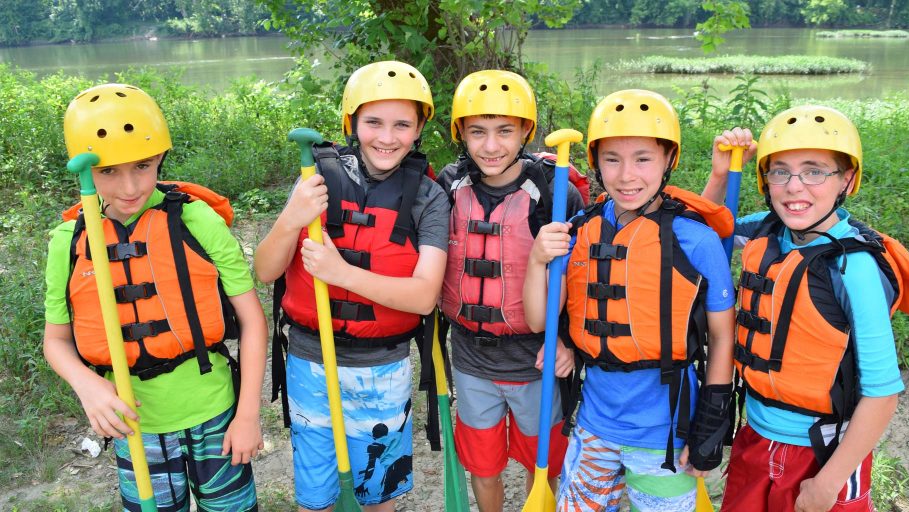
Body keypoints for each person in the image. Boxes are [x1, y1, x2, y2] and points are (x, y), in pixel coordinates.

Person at [43, 83, 267, 511]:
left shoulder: (196, 219)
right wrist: (87, 384)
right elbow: (55, 341)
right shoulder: (66, 242)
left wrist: (248, 415)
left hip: (216, 414)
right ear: (84, 170)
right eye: (108, 171)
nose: (129, 187)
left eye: (142, 166)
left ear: (161, 156)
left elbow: (252, 320)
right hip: (137, 426)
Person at [523, 89, 737, 511]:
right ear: (596, 164)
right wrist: (536, 261)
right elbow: (538, 320)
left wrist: (712, 424)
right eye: (612, 160)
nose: (626, 175)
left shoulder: (697, 239)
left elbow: (722, 339)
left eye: (643, 159)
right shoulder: (579, 230)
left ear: (668, 161)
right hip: (593, 425)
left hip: (667, 435)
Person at [253, 60, 450, 512]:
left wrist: (341, 274)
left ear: (419, 129)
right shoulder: (313, 181)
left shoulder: (428, 197)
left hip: (382, 369)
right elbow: (265, 271)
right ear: (352, 124)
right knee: (316, 498)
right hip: (309, 360)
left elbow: (423, 297)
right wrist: (292, 218)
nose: (387, 136)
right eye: (373, 122)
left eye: (402, 124)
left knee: (378, 494)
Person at [704, 106, 909, 512]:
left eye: (815, 170)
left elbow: (883, 394)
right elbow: (701, 236)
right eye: (779, 170)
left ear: (847, 179)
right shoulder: (766, 230)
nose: (793, 186)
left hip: (824, 453)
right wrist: (719, 175)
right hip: (754, 438)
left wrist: (828, 483)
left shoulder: (855, 268)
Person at [435, 69, 584, 511]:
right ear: (461, 133)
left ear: (526, 132)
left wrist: (570, 341)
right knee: (483, 466)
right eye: (477, 132)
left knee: (544, 466)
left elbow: (582, 281)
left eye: (505, 131)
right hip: (470, 358)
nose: (491, 146)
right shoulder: (448, 186)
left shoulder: (554, 193)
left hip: (536, 360)